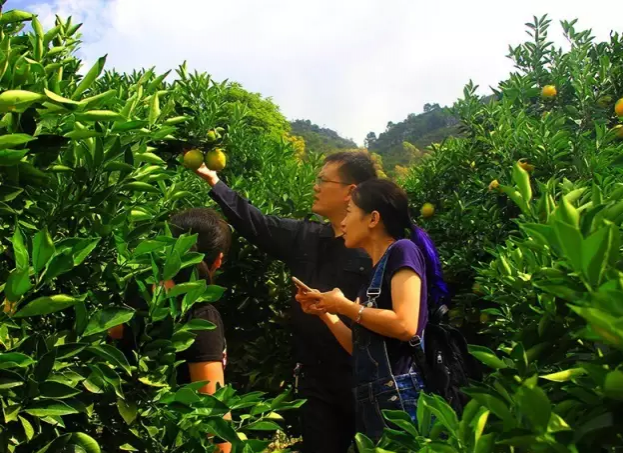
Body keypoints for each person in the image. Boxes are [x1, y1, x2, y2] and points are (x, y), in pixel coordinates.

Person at [190, 151, 377, 453]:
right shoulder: (306, 236)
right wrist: (215, 182)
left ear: (351, 191)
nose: (315, 186)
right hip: (315, 380)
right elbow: (258, 224)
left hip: (365, 377)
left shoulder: (377, 246)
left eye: (322, 180)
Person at [296, 179, 449, 441]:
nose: (343, 223)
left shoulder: (403, 250)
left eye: (349, 213)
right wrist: (326, 311)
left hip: (404, 399)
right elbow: (360, 348)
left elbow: (405, 324)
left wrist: (344, 305)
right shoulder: (371, 277)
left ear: (373, 218)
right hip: (377, 400)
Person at [109, 208, 232, 452]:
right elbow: (212, 412)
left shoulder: (131, 297)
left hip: (117, 434)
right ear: (218, 260)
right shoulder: (200, 316)